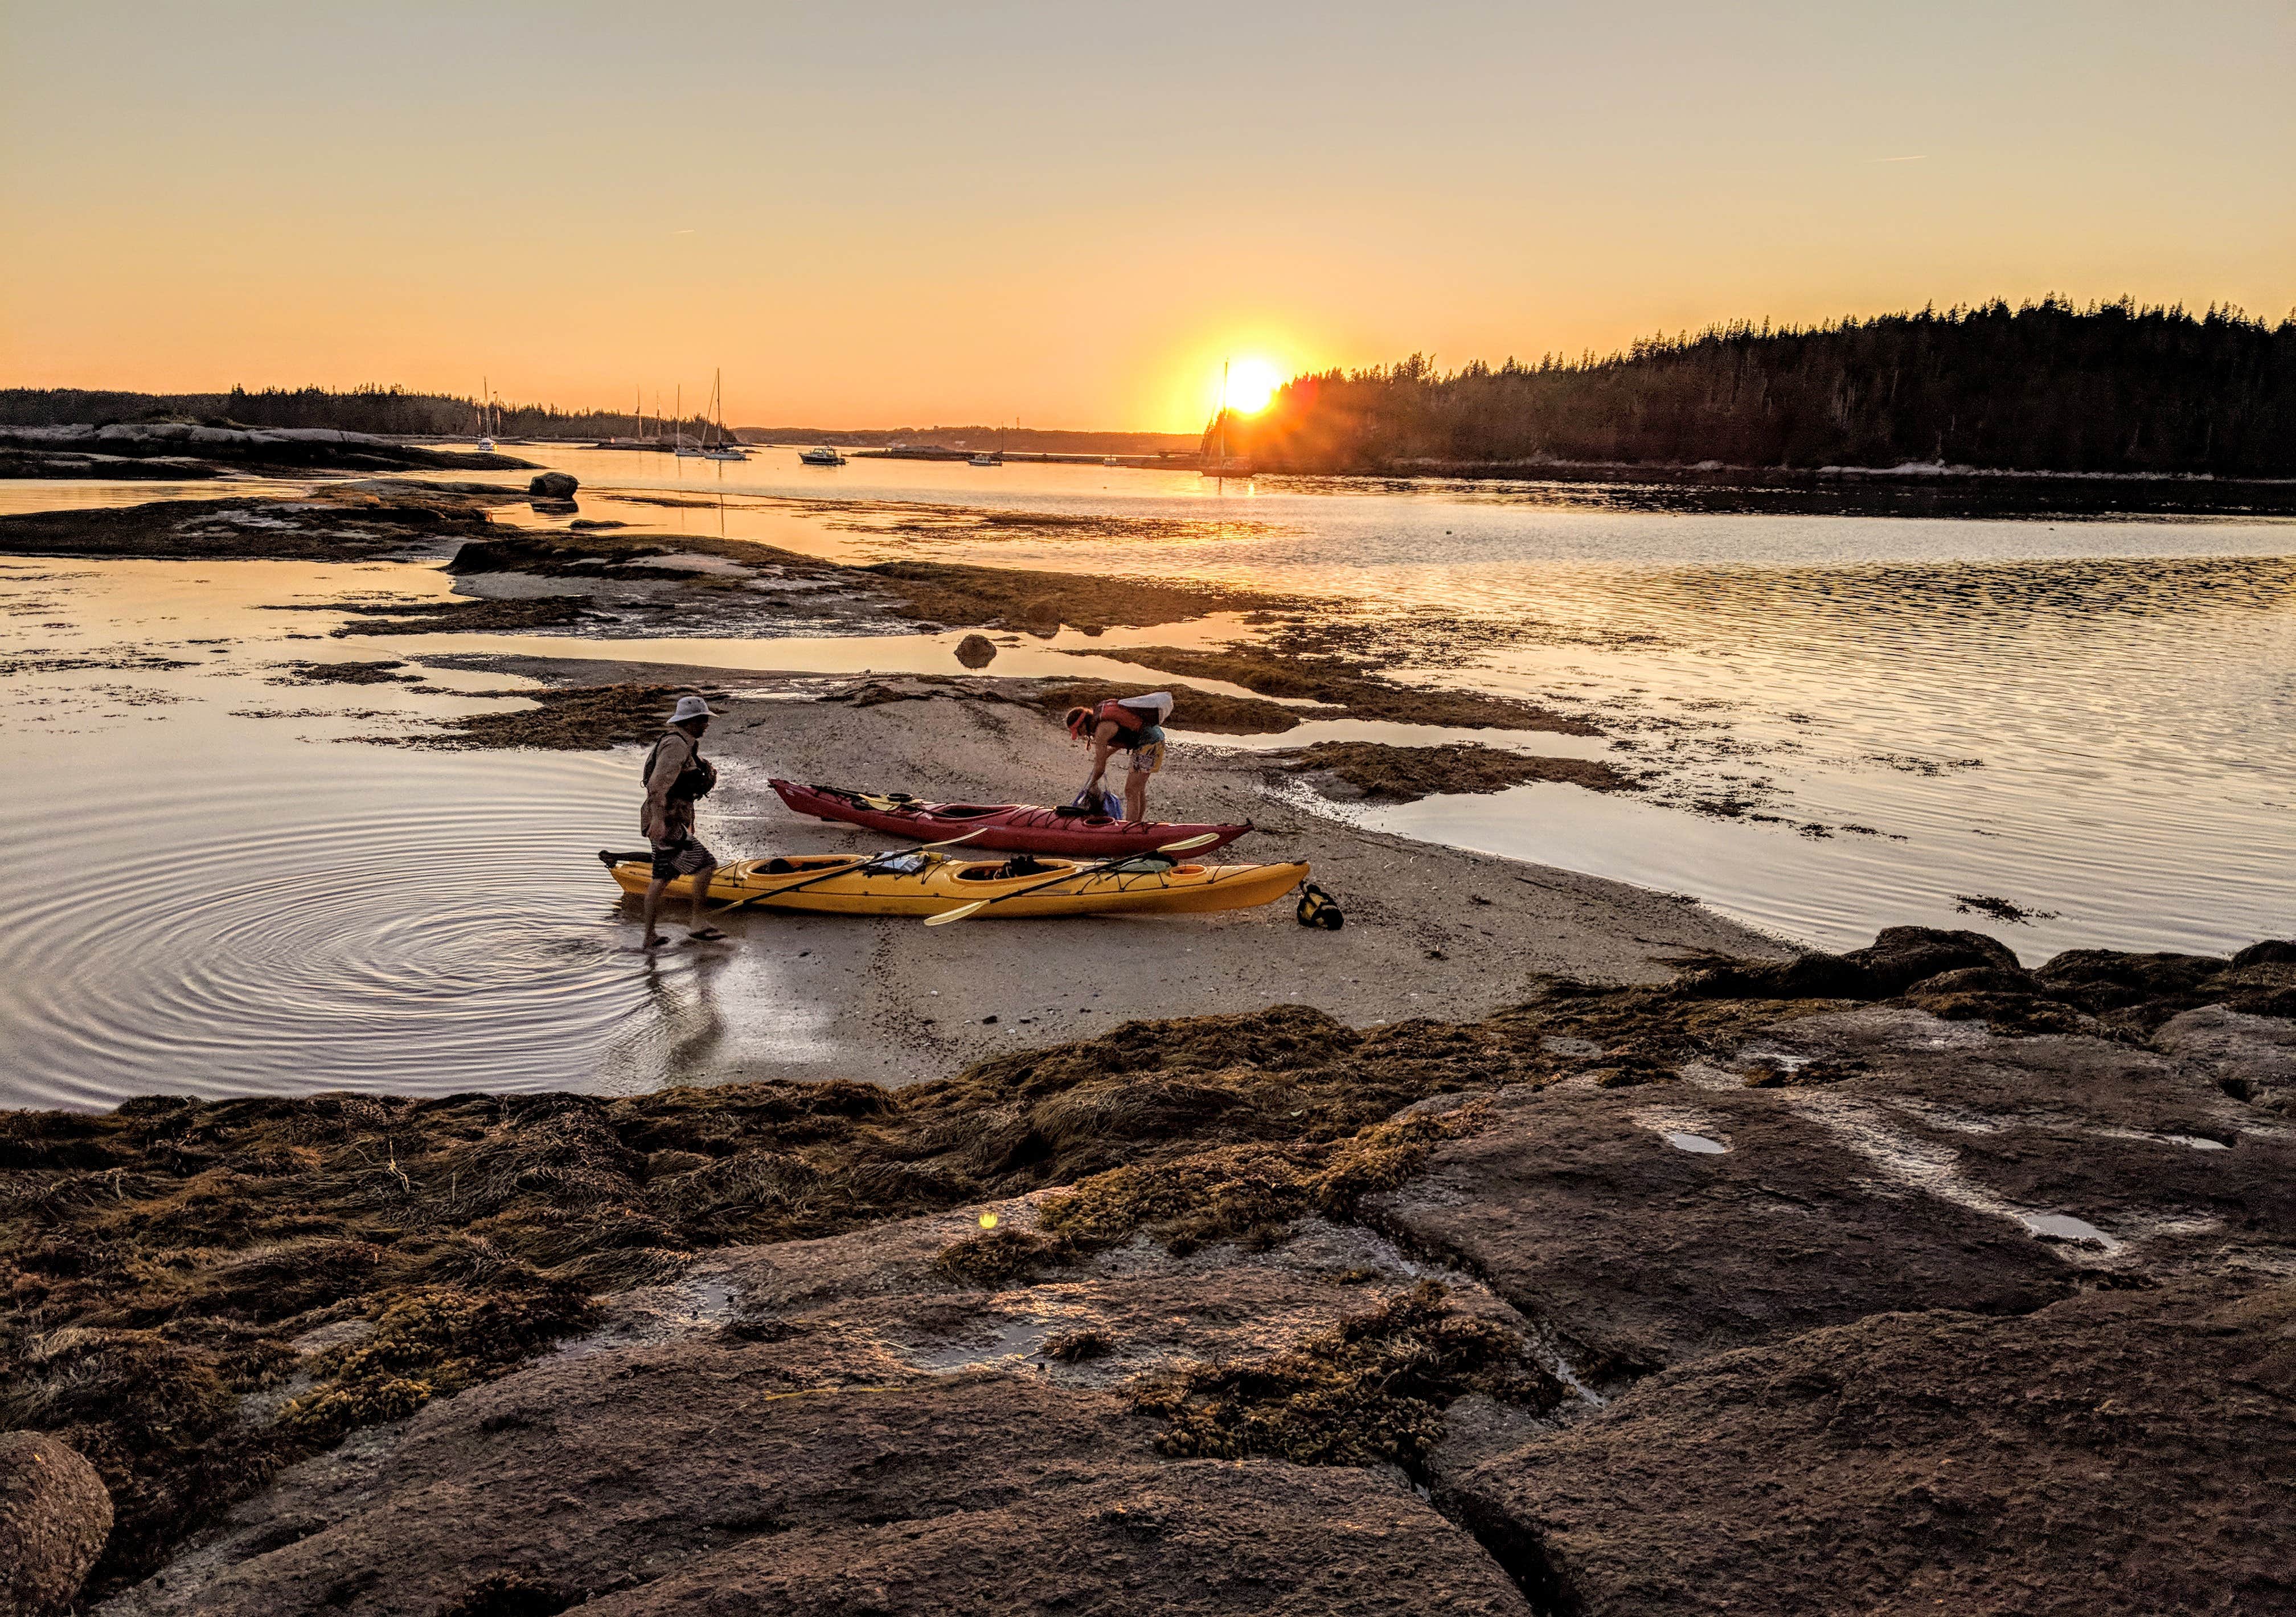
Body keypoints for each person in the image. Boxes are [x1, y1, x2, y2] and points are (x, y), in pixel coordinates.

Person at [640, 694, 727, 949]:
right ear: (689, 721)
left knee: (662, 877)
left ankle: (649, 937)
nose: (706, 724)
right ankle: (698, 923)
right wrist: (659, 821)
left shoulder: (683, 744)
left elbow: (680, 788)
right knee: (707, 864)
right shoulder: (676, 746)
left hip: (671, 819)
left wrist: (687, 822)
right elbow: (656, 786)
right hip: (667, 821)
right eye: (702, 720)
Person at [1064, 691, 1173, 823]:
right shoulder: (1101, 721)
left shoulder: (1101, 730)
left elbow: (1100, 768)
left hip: (1150, 744)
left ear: (1083, 725)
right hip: (1150, 741)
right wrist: (1106, 755)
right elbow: (1123, 737)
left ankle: (1130, 828)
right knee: (1138, 788)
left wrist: (1091, 784)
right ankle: (1138, 824)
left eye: (1079, 732)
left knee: (1131, 790)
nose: (1080, 736)